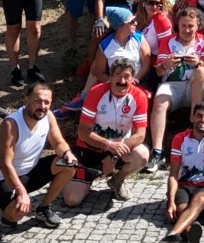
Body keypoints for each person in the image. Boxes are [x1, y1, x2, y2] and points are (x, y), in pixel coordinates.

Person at [0, 82, 77, 230]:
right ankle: (5, 211)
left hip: (31, 172)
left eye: (47, 102)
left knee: (68, 165)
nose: (42, 106)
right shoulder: (11, 124)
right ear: (26, 100)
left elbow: (58, 142)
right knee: (16, 215)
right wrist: (21, 191)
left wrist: (67, 153)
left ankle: (43, 208)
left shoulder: (48, 117)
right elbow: (5, 164)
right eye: (38, 101)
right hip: (3, 178)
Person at [61, 59, 150, 204]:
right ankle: (77, 179)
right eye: (118, 75)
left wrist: (113, 155)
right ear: (110, 77)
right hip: (89, 149)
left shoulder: (139, 96)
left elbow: (140, 135)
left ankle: (117, 180)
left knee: (142, 154)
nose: (122, 80)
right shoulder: (96, 92)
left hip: (119, 150)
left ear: (133, 79)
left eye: (127, 76)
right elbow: (83, 132)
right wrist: (108, 145)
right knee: (72, 200)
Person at [146, 6, 204, 171]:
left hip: (195, 86)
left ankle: (194, 128)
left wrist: (198, 62)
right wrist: (166, 64)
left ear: (198, 26)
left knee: (202, 71)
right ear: (178, 25)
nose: (187, 30)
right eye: (183, 26)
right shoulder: (169, 41)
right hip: (172, 85)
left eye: (191, 26)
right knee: (160, 101)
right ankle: (157, 152)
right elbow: (158, 71)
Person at [159, 100, 204, 243]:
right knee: (181, 208)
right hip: (183, 185)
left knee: (200, 200)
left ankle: (172, 235)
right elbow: (173, 174)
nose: (203, 120)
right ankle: (190, 235)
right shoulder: (180, 138)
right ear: (192, 118)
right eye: (199, 116)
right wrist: (170, 202)